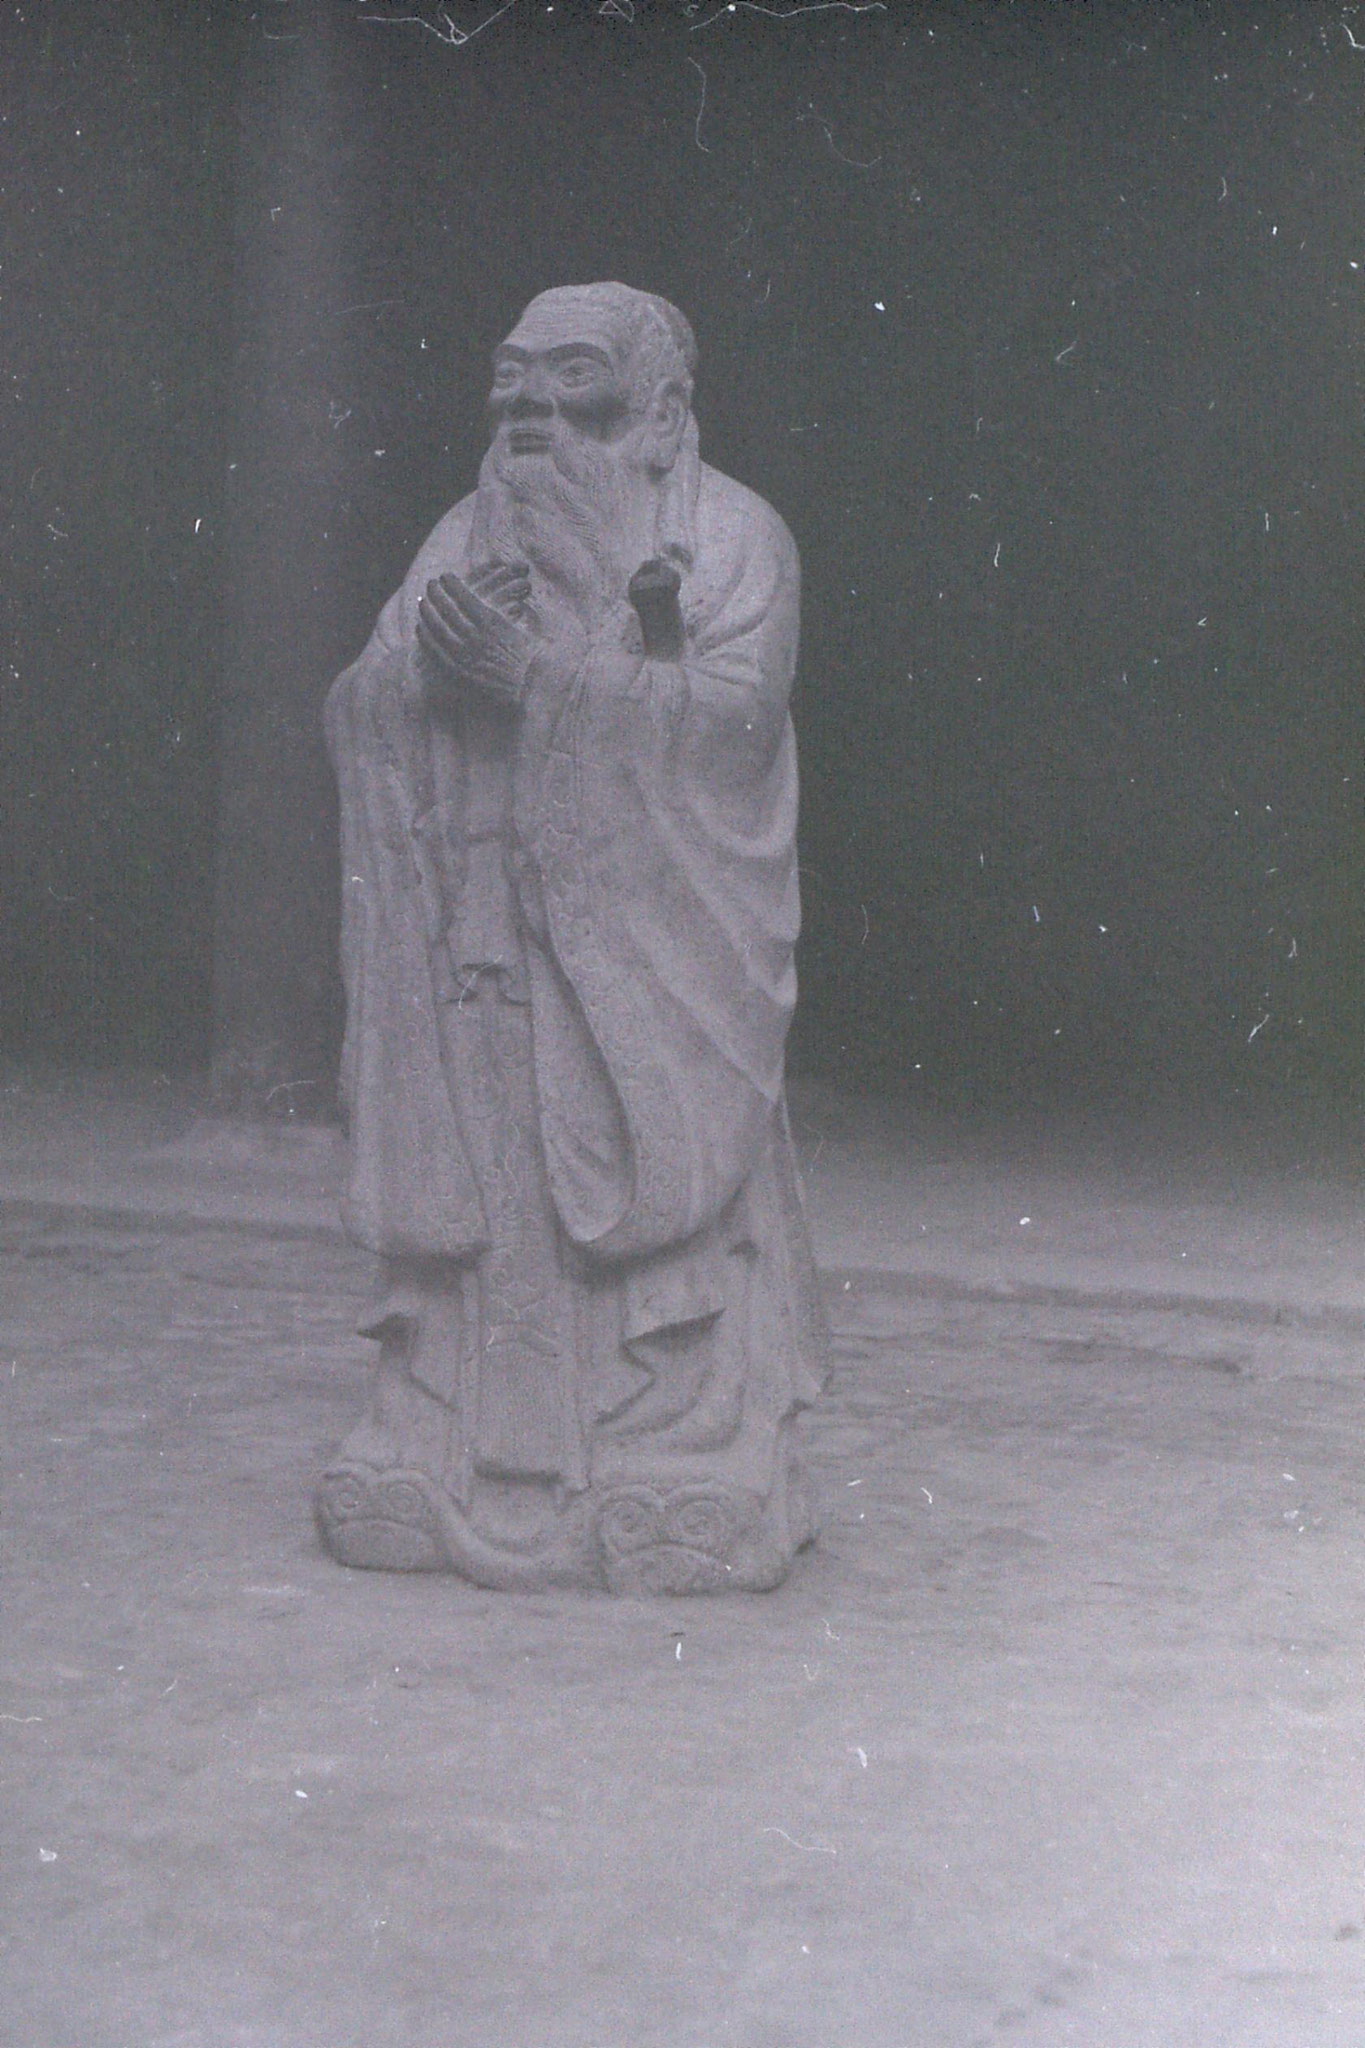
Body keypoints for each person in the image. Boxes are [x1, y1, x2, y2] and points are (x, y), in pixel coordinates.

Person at [316, 282, 827, 1593]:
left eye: (574, 392)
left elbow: (730, 731)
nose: (534, 420)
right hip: (480, 950)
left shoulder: (732, 538)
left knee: (631, 1169)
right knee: (483, 1182)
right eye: (513, 393)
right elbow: (365, 700)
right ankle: (437, 1436)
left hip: (639, 968)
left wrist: (534, 681)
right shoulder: (457, 533)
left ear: (660, 411)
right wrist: (425, 674)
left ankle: (678, 1441)